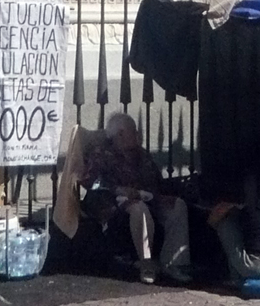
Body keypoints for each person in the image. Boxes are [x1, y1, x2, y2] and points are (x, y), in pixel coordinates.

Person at [80, 112, 191, 283]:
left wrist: (158, 196)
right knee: (139, 208)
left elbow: (156, 180)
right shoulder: (101, 154)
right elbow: (90, 182)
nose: (138, 134)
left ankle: (173, 263)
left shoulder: (141, 154)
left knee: (178, 206)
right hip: (115, 206)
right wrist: (118, 190)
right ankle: (146, 262)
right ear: (121, 134)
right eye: (134, 130)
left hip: (146, 198)